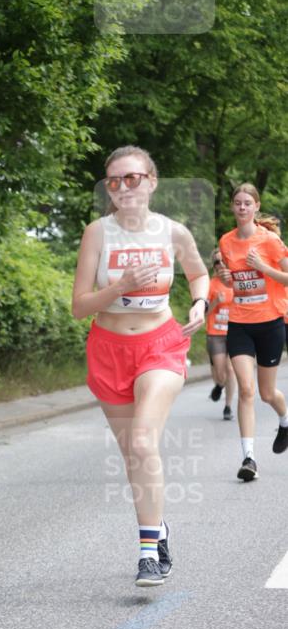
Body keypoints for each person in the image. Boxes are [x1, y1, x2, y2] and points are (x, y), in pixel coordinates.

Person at [72, 145, 209, 587]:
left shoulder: (173, 232)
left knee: (143, 442)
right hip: (109, 349)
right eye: (114, 180)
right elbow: (79, 306)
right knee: (134, 454)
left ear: (151, 181)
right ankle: (159, 528)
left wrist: (201, 303)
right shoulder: (97, 233)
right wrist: (121, 287)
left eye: (132, 178)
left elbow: (198, 273)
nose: (123, 187)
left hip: (160, 345)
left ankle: (148, 551)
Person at [218, 186, 288, 481]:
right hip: (239, 324)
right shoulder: (226, 241)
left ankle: (284, 419)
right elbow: (234, 282)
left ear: (256, 206)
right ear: (232, 207)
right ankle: (249, 459)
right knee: (246, 390)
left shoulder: (270, 240)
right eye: (238, 203)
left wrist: (263, 268)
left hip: (270, 323)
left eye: (248, 203)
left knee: (266, 393)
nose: (242, 207)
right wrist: (225, 278)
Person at [206, 251, 236, 420]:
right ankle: (219, 385)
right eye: (217, 262)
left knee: (230, 369)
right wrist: (215, 302)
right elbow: (203, 312)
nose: (221, 264)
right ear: (214, 266)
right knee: (220, 372)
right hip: (215, 334)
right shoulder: (210, 285)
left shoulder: (236, 282)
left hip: (235, 332)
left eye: (223, 260)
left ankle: (228, 406)